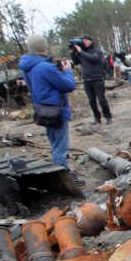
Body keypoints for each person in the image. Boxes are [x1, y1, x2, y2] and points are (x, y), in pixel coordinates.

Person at [19, 34, 83, 185]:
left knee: (55, 145)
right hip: (56, 112)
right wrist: (67, 71)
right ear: (44, 47)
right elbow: (68, 86)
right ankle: (63, 180)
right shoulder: (44, 67)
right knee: (61, 149)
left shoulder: (28, 66)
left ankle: (63, 174)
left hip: (43, 111)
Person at [72, 35, 113, 124]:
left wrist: (81, 51)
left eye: (86, 40)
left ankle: (108, 117)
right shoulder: (82, 52)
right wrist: (73, 51)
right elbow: (75, 62)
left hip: (97, 79)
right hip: (86, 80)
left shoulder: (97, 51)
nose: (84, 42)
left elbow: (93, 59)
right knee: (91, 101)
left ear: (91, 41)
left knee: (101, 99)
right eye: (83, 40)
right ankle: (97, 118)